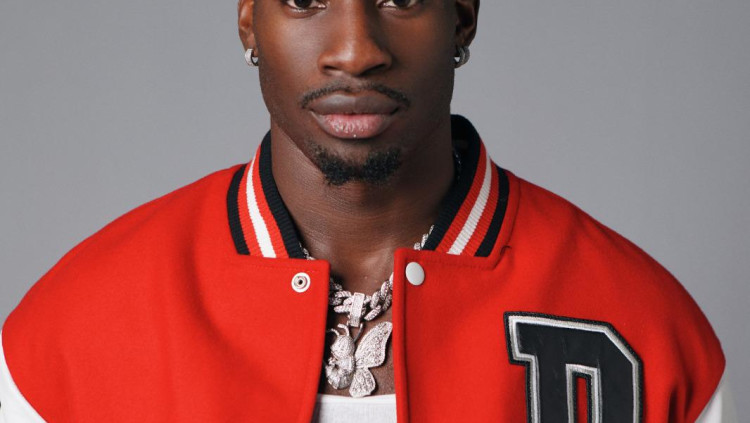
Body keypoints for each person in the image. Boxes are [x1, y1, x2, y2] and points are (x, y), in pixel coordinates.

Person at [0, 0, 733, 421]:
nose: (355, 51)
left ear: (464, 16)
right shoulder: (69, 332)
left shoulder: (644, 329)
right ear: (249, 19)